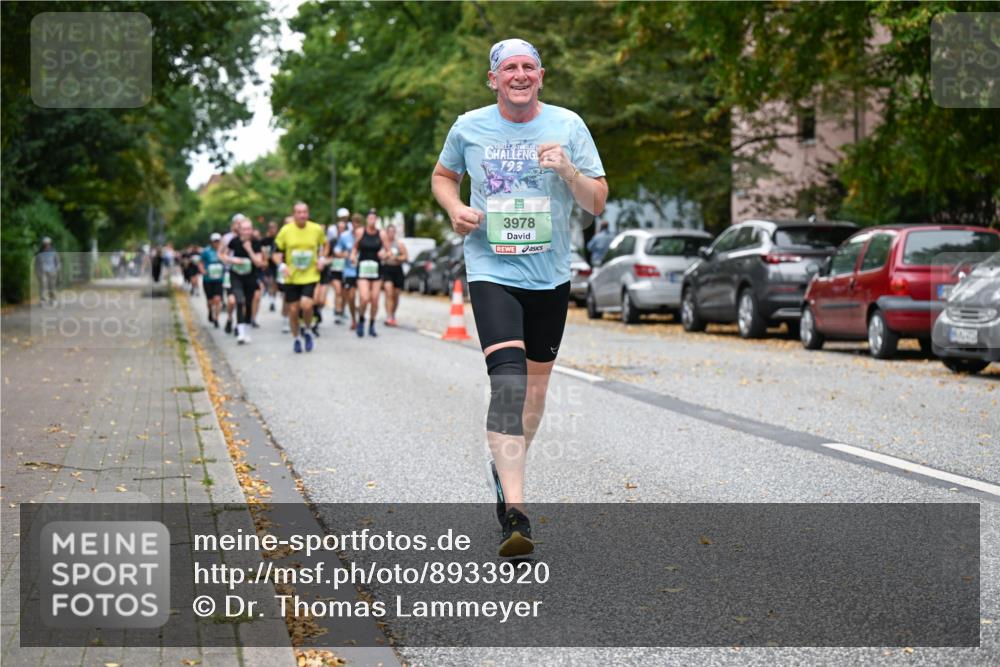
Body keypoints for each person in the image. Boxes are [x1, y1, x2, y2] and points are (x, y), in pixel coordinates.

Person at [431, 38, 607, 556]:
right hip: (492, 269)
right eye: (510, 67)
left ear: (541, 76)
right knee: (507, 383)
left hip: (550, 277)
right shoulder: (469, 126)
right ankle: (517, 511)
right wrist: (454, 208)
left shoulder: (569, 127)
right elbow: (443, 177)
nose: (520, 74)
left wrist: (568, 171)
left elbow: (596, 201)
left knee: (533, 397)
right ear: (494, 79)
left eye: (529, 66)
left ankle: (503, 467)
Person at [273, 202, 328, 353]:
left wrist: (322, 258)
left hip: (310, 275)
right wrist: (282, 265)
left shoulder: (316, 229)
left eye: (304, 212)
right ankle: (296, 337)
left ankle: (308, 329)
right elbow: (276, 252)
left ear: (308, 213)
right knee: (293, 310)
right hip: (291, 276)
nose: (302, 215)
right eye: (299, 212)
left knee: (307, 305)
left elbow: (325, 244)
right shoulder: (286, 231)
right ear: (294, 214)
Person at [221, 218, 266, 344]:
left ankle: (246, 329)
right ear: (239, 230)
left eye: (249, 229)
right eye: (244, 229)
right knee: (239, 300)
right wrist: (232, 260)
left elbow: (259, 262)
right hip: (236, 275)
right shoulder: (233, 242)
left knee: (248, 303)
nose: (247, 231)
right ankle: (240, 332)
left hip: (251, 276)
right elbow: (223, 255)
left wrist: (249, 250)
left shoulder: (256, 243)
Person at [350, 208, 389, 338]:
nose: (372, 220)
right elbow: (354, 248)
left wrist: (385, 254)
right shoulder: (360, 232)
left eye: (374, 218)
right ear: (366, 220)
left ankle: (372, 324)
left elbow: (389, 251)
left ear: (376, 220)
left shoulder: (382, 234)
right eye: (370, 218)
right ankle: (361, 319)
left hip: (376, 269)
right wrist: (353, 256)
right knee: (365, 297)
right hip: (363, 269)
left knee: (375, 299)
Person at [334, 215, 359, 330]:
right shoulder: (344, 236)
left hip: (364, 271)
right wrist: (344, 254)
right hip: (349, 271)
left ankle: (362, 316)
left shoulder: (365, 235)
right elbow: (337, 250)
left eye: (358, 222)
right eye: (354, 222)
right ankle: (354, 318)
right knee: (351, 296)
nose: (356, 224)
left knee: (365, 297)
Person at [380, 224, 408, 326]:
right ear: (387, 233)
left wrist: (397, 258)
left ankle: (393, 314)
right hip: (387, 269)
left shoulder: (399, 244)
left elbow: (405, 257)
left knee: (395, 295)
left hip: (397, 270)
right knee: (389, 293)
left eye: (393, 231)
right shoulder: (383, 244)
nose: (391, 234)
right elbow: (379, 255)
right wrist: (385, 256)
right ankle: (389, 317)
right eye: (389, 232)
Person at [329, 209, 350, 324]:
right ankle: (337, 312)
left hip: (346, 270)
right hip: (335, 270)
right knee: (337, 291)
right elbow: (326, 254)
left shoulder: (348, 241)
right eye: (339, 229)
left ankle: (342, 310)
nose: (341, 231)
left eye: (343, 229)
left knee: (344, 293)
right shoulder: (332, 241)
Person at [200, 233, 225, 327]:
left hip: (219, 279)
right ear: (211, 242)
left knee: (218, 299)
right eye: (215, 241)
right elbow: (201, 262)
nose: (216, 243)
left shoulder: (222, 251)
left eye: (218, 241)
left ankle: (216, 318)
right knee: (210, 301)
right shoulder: (206, 251)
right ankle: (210, 311)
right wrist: (203, 271)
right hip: (208, 279)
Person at [34, 237, 61, 305]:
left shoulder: (54, 252)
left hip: (52, 271)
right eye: (45, 244)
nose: (46, 245)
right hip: (42, 271)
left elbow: (58, 262)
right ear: (43, 244)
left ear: (50, 244)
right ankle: (42, 300)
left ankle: (53, 299)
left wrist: (57, 270)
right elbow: (36, 263)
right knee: (43, 285)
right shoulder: (39, 253)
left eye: (48, 244)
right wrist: (37, 271)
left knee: (52, 286)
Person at [261, 220, 280, 313]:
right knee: (270, 282)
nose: (272, 230)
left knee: (275, 283)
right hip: (267, 264)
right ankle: (271, 300)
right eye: (271, 228)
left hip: (276, 264)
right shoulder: (264, 241)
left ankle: (273, 299)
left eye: (274, 228)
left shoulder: (279, 239)